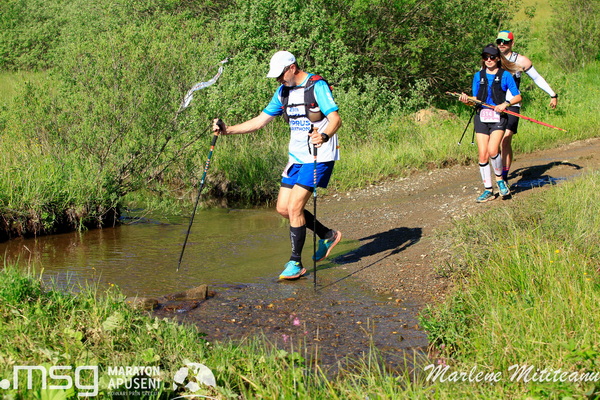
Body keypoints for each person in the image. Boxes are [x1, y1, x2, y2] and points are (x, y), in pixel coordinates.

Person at [212, 51, 342, 280]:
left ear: (292, 67)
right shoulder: (282, 92)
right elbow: (259, 121)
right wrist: (227, 130)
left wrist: (324, 136)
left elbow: (335, 119)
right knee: (283, 209)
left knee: (295, 207)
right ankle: (327, 235)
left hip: (319, 156)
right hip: (296, 157)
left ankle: (295, 263)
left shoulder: (316, 86)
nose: (278, 80)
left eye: (280, 75)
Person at [459, 44, 522, 203]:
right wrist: (466, 100)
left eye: (492, 57)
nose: (488, 60)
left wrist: (505, 104)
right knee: (483, 155)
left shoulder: (506, 75)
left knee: (493, 150)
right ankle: (488, 190)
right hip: (481, 117)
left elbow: (517, 97)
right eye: (485, 57)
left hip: (498, 118)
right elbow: (475, 100)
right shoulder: (477, 76)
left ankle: (500, 181)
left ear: (498, 58)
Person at [496, 30, 558, 182]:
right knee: (494, 143)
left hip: (512, 104)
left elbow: (537, 78)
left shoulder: (521, 60)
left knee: (506, 139)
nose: (502, 44)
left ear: (512, 43)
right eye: (499, 42)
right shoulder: (491, 58)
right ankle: (498, 171)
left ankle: (504, 177)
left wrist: (552, 94)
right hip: (494, 105)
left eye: (505, 42)